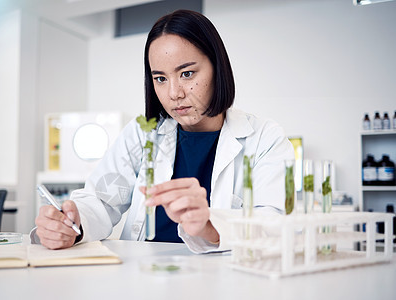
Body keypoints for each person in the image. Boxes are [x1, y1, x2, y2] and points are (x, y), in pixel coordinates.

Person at [32, 9, 294, 254]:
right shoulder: (141, 133)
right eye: (160, 78)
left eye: (187, 73)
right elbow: (100, 201)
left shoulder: (264, 138)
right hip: (143, 277)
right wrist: (72, 222)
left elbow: (275, 223)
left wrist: (211, 227)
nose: (174, 94)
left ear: (218, 67)